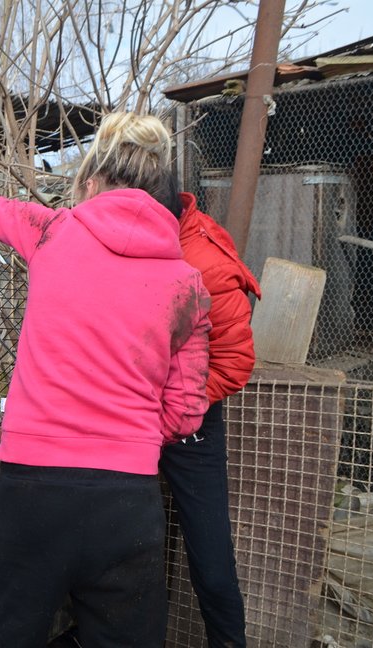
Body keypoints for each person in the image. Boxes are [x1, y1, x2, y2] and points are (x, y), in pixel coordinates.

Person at [0, 111, 212, 647]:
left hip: (32, 492)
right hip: (125, 504)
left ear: (90, 182)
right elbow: (185, 413)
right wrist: (127, 438)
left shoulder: (53, 229)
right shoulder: (187, 283)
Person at [159, 190, 261, 647]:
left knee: (210, 555)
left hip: (190, 418)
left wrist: (180, 408)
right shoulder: (137, 242)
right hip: (133, 409)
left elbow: (234, 363)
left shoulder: (204, 260)